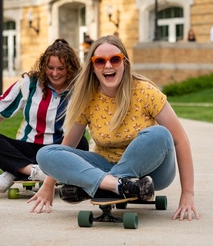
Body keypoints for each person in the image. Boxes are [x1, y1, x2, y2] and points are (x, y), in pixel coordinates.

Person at [29, 35, 199, 221]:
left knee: (160, 133)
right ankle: (115, 185)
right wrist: (48, 185)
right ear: (93, 68)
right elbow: (69, 145)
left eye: (115, 59)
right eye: (100, 61)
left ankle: (97, 185)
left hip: (151, 173)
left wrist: (187, 194)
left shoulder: (145, 91)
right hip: (106, 165)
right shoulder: (88, 98)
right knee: (46, 154)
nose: (108, 65)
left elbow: (180, 139)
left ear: (124, 63)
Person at [0, 39, 89, 193]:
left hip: (61, 150)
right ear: (43, 66)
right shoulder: (29, 84)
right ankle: (34, 172)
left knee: (81, 143)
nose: (54, 73)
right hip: (28, 147)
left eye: (60, 68)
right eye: (50, 68)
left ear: (70, 68)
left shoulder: (80, 88)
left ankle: (15, 171)